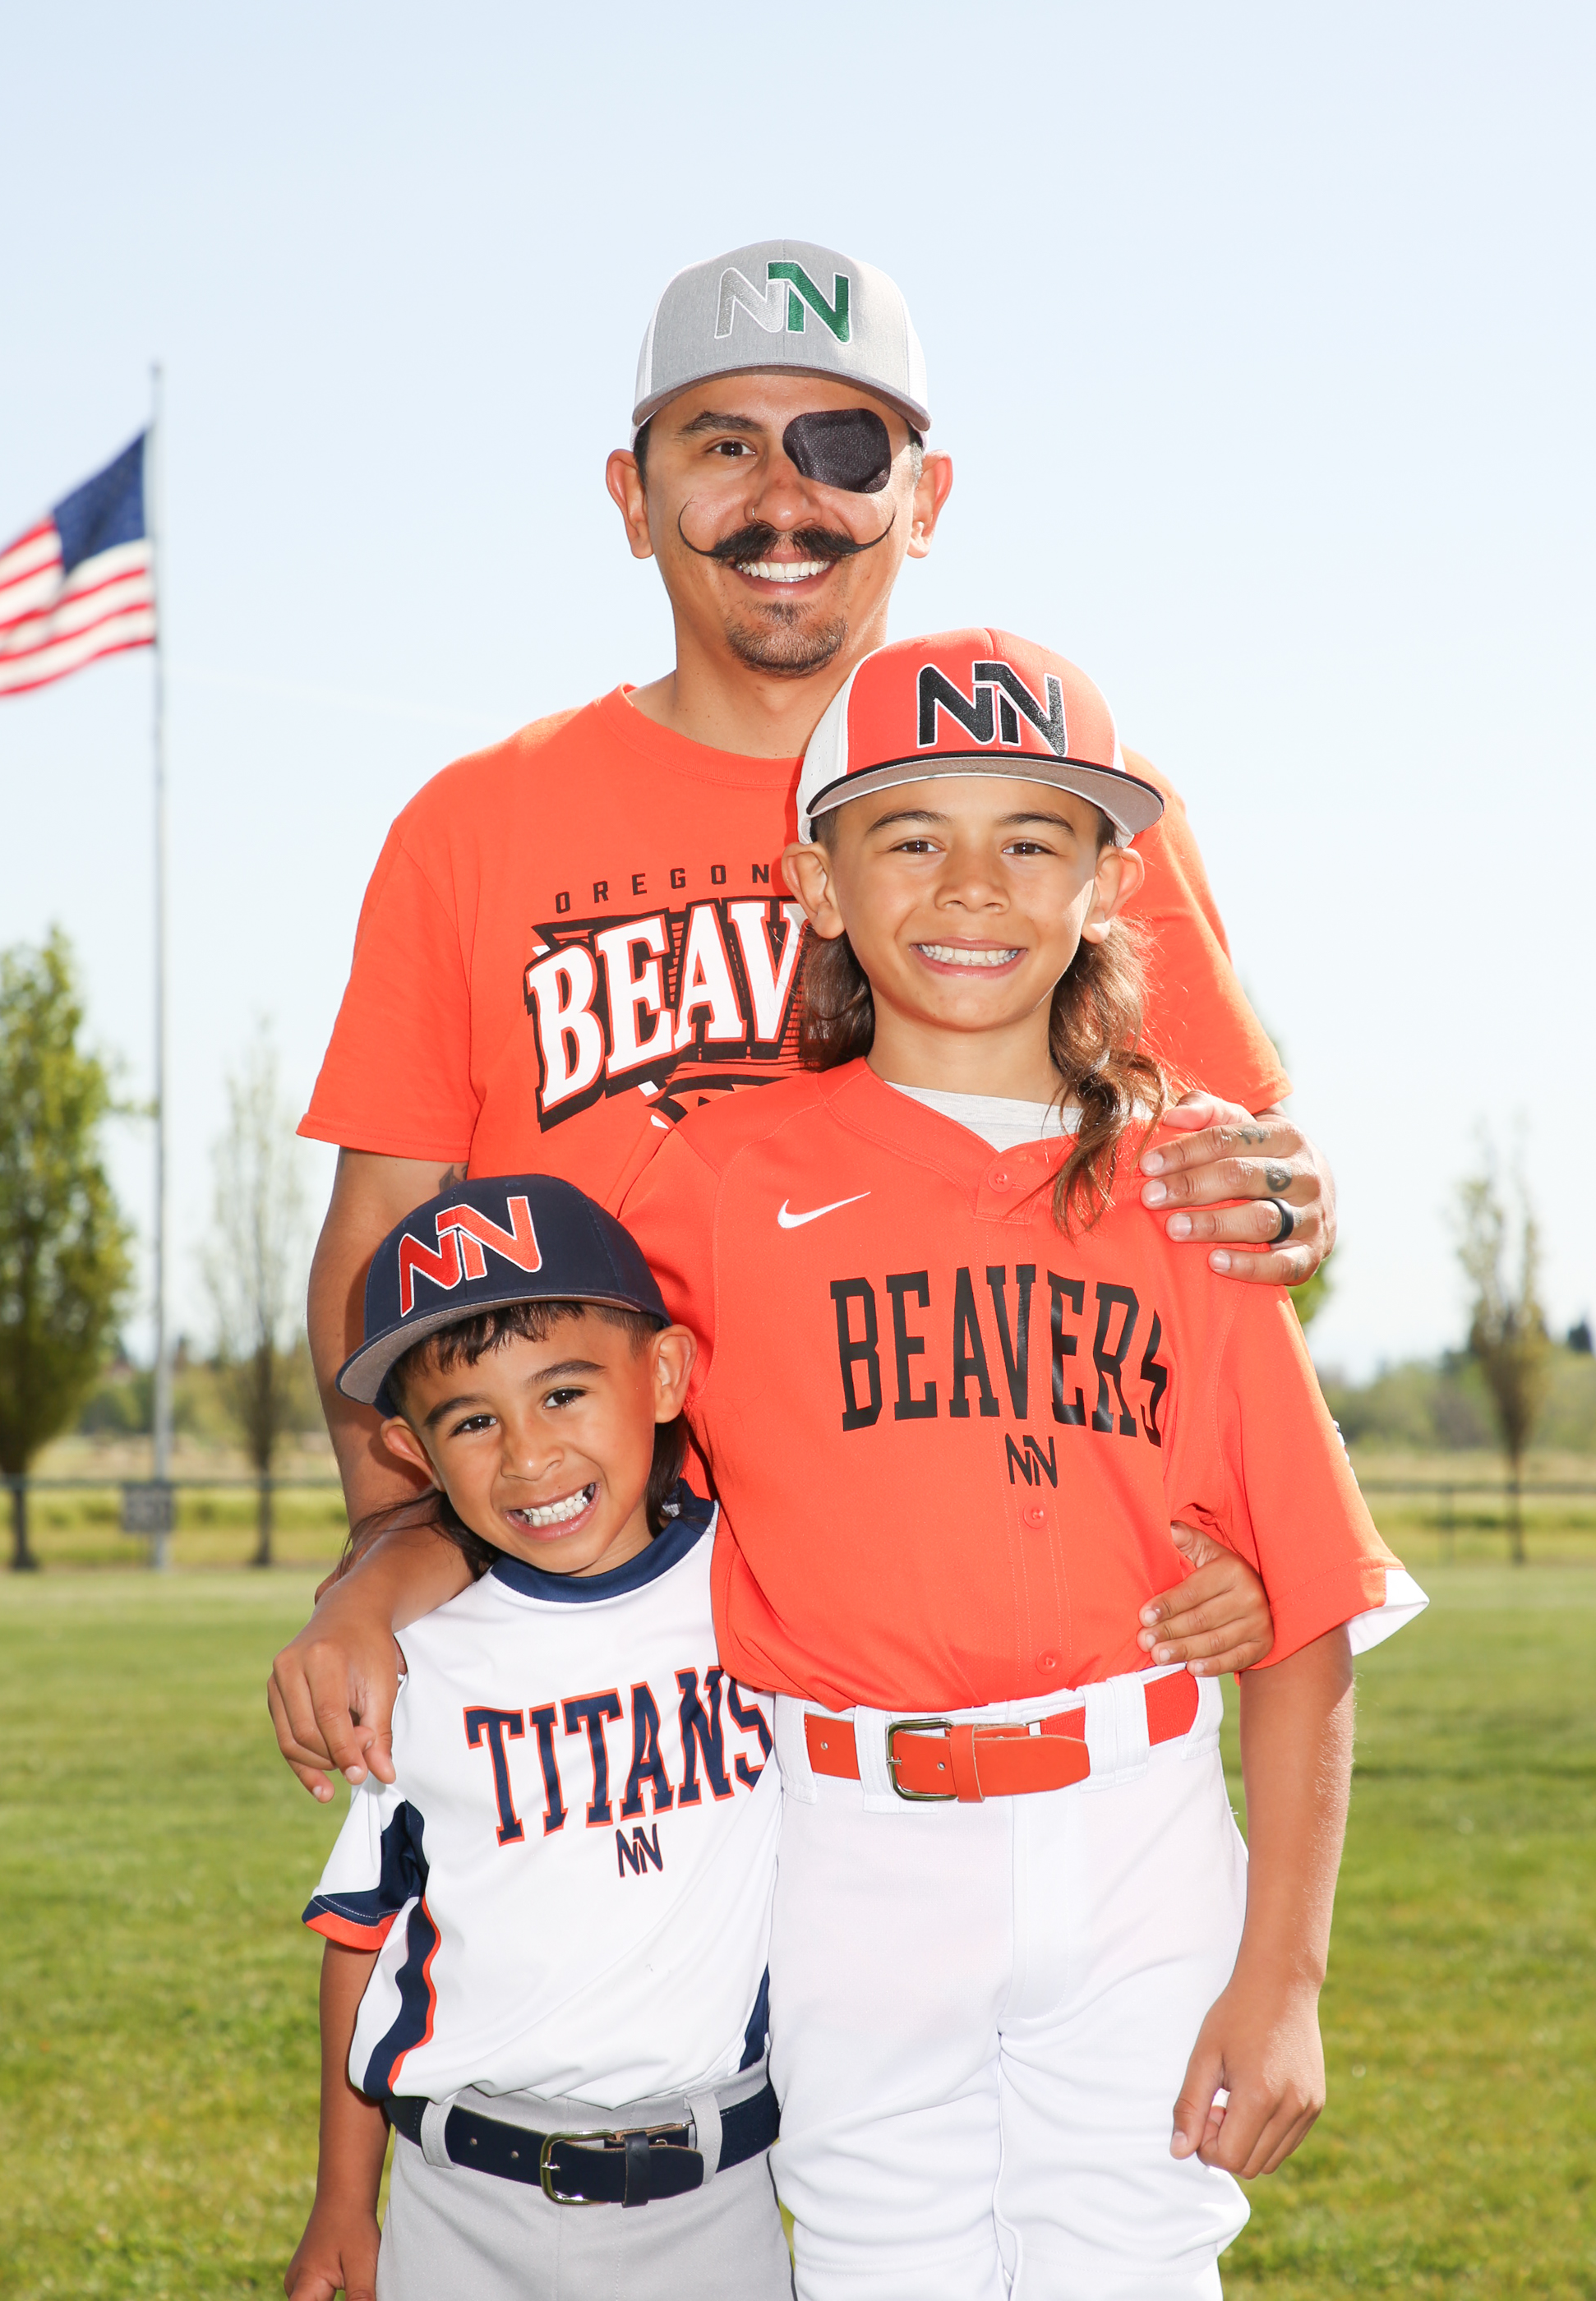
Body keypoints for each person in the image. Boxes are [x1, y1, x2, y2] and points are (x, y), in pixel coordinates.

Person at [272, 237, 1316, 1783]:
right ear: (631, 498)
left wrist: (1287, 1215)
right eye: (722, 446)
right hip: (591, 1594)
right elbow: (379, 1235)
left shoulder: (1076, 799)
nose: (783, 499)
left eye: (842, 449)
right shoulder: (476, 823)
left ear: (926, 499)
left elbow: (1228, 1198)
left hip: (943, 1611)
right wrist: (403, 1545)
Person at [614, 627, 1429, 2300]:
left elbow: (1304, 1607)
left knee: (1137, 2263)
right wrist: (384, 1575)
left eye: (1033, 839)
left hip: (1134, 1830)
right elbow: (558, 1460)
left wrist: (1284, 1977)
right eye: (911, 835)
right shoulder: (715, 1177)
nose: (971, 886)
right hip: (849, 1833)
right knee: (878, 2265)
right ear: (818, 882)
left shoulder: (1189, 1178)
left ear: (1110, 885)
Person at [283, 1175, 790, 2301]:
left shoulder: (762, 1590)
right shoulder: (421, 1658)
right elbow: (365, 1935)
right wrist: (341, 2202)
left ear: (665, 1375)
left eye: (563, 1393)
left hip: (713, 2193)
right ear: (413, 1452)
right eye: (473, 1421)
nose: (527, 1456)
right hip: (463, 2197)